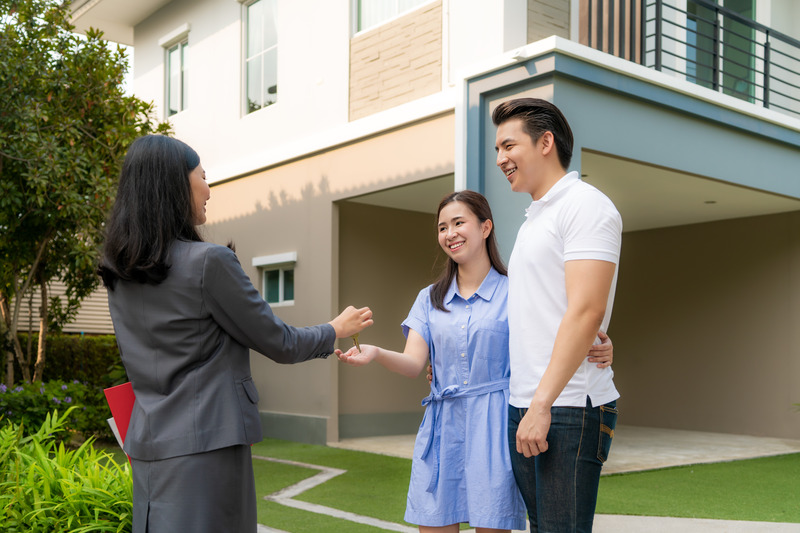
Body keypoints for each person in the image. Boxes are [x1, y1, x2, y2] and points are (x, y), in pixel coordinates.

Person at [98, 134, 373, 533]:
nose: (209, 189)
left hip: (147, 443)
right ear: (176, 185)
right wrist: (334, 329)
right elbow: (280, 342)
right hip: (207, 445)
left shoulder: (119, 273)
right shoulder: (210, 262)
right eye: (203, 177)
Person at [337, 190, 613, 533]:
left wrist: (602, 345)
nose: (449, 233)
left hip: (496, 427)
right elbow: (413, 363)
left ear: (485, 228)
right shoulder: (429, 298)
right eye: (442, 227)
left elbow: (555, 335)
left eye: (458, 223)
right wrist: (375, 353)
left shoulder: (517, 289)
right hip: (441, 429)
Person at [493, 97, 622, 532]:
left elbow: (586, 310)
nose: (500, 159)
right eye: (497, 149)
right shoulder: (534, 219)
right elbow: (542, 310)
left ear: (545, 142)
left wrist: (542, 404)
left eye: (508, 146)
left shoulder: (586, 205)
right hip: (528, 402)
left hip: (566, 406)